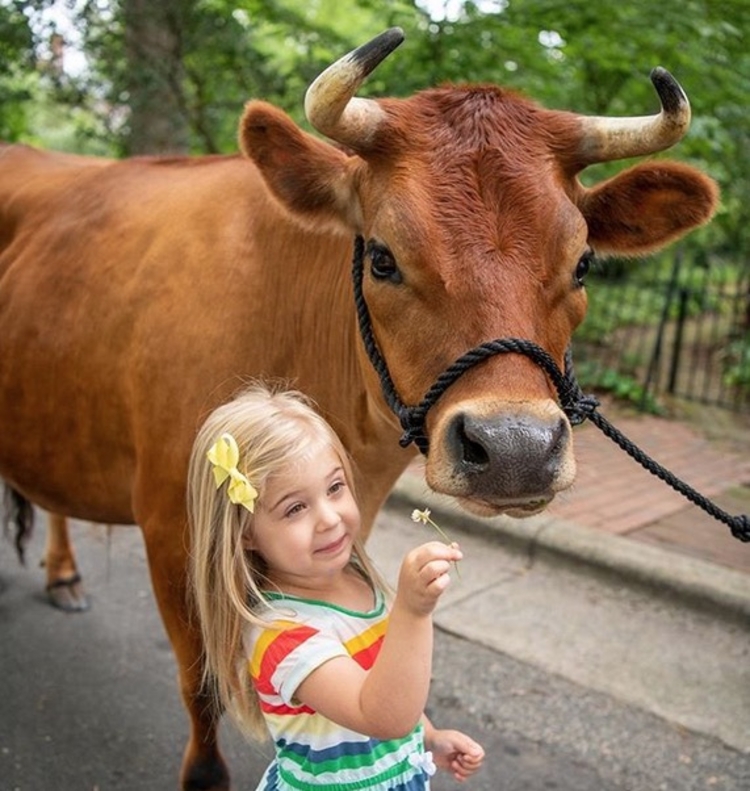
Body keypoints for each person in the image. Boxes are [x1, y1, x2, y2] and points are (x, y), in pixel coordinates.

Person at [188, 381, 485, 790]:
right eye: (294, 508)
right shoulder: (282, 634)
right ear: (245, 534)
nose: (328, 517)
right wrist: (413, 612)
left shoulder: (356, 581)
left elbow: (386, 679)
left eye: (334, 488)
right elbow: (382, 715)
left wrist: (428, 737)